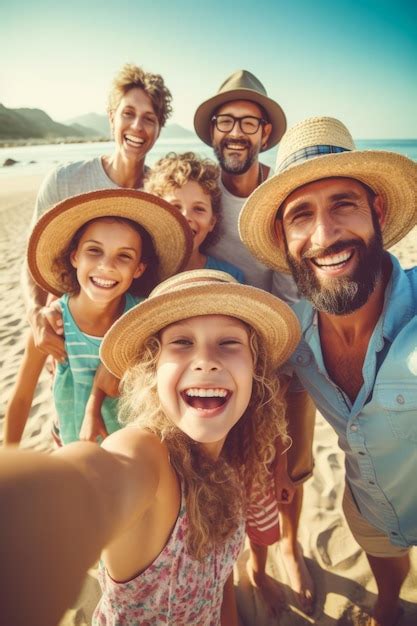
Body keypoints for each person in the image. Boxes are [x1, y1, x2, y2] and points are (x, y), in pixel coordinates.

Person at [0, 269, 301, 626]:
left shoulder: (234, 456)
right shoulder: (149, 456)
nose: (206, 359)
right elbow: (90, 479)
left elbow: (221, 581)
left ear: (255, 369)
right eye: (182, 342)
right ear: (152, 370)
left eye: (229, 343)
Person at [239, 115, 417, 626]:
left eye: (344, 204)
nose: (325, 235)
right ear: (283, 234)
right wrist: (291, 468)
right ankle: (386, 605)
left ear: (376, 210)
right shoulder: (293, 337)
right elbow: (294, 387)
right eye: (301, 215)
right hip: (367, 503)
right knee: (385, 568)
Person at [195, 69, 316, 614]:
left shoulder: (280, 192)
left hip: (285, 348)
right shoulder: (202, 192)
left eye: (249, 121)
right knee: (239, 470)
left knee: (292, 464)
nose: (236, 132)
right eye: (226, 121)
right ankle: (248, 557)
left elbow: (297, 289)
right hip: (223, 355)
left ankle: (291, 543)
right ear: (213, 132)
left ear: (266, 132)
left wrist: (278, 360)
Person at [4, 189, 192, 445]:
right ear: (74, 257)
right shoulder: (53, 324)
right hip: (70, 439)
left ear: (139, 268)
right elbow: (24, 397)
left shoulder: (144, 318)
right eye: (94, 251)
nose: (107, 265)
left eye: (124, 256)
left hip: (131, 449)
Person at [23, 62, 173, 362]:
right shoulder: (65, 180)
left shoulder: (161, 194)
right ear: (111, 118)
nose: (137, 127)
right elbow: (33, 254)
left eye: (149, 118)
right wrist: (35, 312)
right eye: (128, 114)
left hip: (130, 338)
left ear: (158, 129)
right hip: (69, 330)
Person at [145, 151, 244, 280]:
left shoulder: (228, 277)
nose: (186, 217)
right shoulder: (141, 273)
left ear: (212, 222)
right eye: (175, 207)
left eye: (199, 209)